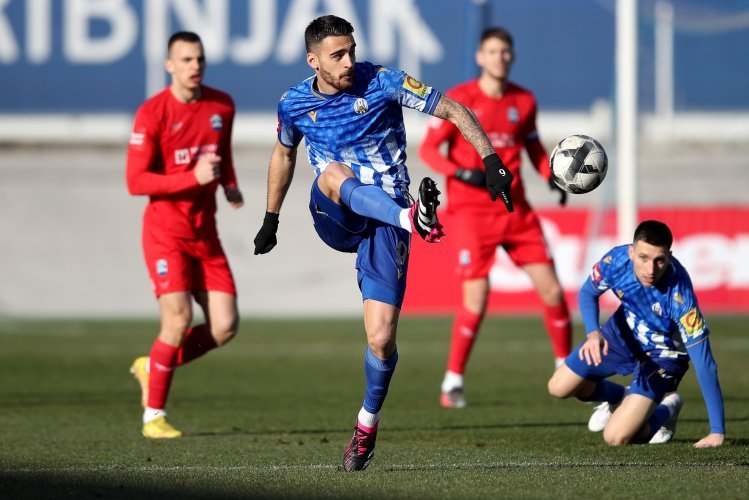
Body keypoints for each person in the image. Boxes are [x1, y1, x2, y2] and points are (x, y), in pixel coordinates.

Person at [252, 15, 513, 472]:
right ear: (314, 61)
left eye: (352, 50)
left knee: (381, 337)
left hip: (386, 221)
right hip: (337, 212)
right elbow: (284, 151)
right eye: (338, 55)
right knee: (333, 172)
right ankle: (412, 218)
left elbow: (451, 109)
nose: (350, 60)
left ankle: (366, 426)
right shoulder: (293, 103)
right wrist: (271, 217)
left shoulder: (384, 82)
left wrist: (490, 159)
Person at [418, 27, 571, 409]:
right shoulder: (460, 99)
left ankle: (567, 371)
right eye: (492, 51)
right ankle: (452, 382)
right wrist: (461, 173)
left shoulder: (524, 100)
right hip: (471, 212)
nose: (499, 57)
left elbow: (533, 146)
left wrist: (551, 176)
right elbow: (428, 150)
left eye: (505, 51)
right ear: (480, 57)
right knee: (477, 299)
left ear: (512, 56)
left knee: (552, 290)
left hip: (516, 209)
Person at [126, 31, 244, 439]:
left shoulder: (221, 104)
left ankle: (152, 364)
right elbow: (135, 181)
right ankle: (153, 416)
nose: (195, 66)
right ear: (169, 65)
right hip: (165, 234)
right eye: (186, 59)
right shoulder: (152, 113)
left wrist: (229, 184)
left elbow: (220, 152)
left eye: (199, 59)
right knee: (177, 319)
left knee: (225, 327)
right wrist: (188, 178)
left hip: (204, 232)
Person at [547, 220, 725, 447]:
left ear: (669, 256)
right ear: (631, 252)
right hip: (622, 334)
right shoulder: (616, 261)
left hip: (663, 354)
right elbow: (588, 292)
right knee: (559, 387)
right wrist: (593, 334)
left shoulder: (680, 296)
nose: (650, 270)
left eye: (659, 260)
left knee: (616, 437)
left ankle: (666, 409)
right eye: (643, 258)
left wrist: (717, 431)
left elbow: (705, 363)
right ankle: (620, 398)